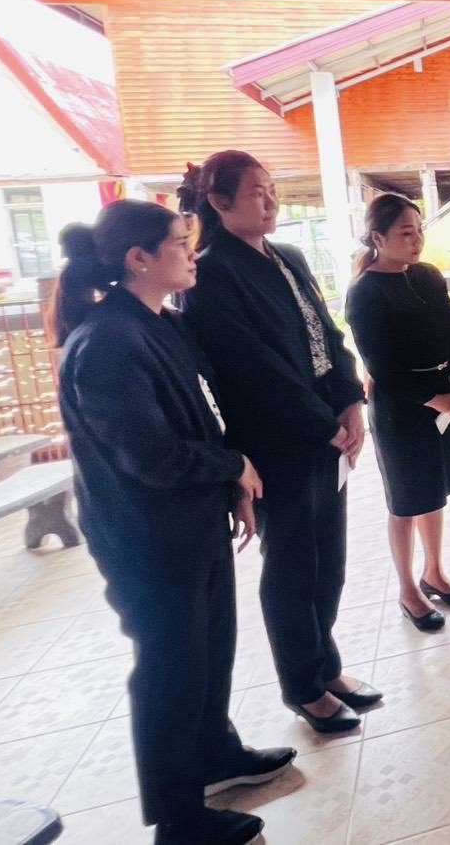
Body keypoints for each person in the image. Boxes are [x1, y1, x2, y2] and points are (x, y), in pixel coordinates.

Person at [55, 200, 294, 845]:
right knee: (169, 667)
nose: (193, 254)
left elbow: (202, 415)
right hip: (147, 538)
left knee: (210, 648)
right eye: (180, 244)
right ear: (139, 259)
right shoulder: (107, 343)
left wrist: (232, 479)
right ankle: (178, 817)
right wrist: (232, 466)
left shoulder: (159, 323)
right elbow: (150, 455)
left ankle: (216, 754)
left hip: (191, 520)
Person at [179, 151, 379, 735]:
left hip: (326, 429)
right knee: (293, 565)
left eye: (272, 189)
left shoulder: (288, 256)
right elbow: (253, 369)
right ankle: (303, 685)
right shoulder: (212, 274)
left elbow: (328, 335)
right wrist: (324, 424)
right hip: (277, 441)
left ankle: (326, 666)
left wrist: (350, 401)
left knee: (329, 560)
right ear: (220, 202)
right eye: (256, 192)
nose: (271, 201)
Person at [346, 194, 450, 632]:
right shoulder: (364, 292)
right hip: (400, 409)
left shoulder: (428, 276)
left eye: (419, 231)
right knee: (404, 502)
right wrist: (436, 399)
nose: (416, 240)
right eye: (406, 232)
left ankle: (434, 572)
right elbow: (381, 366)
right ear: (378, 238)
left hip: (440, 397)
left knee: (433, 493)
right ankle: (407, 589)